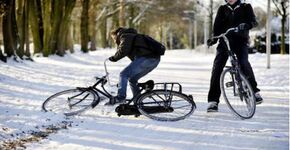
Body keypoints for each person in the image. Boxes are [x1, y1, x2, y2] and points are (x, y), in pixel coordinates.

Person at [206, 0, 263, 112]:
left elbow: (253, 21)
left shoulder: (246, 7)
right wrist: (214, 38)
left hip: (240, 41)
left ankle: (255, 92)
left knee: (243, 62)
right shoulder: (222, 9)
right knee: (217, 67)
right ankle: (213, 101)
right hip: (225, 41)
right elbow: (217, 28)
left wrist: (247, 25)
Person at [107, 27, 160, 105]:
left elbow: (124, 50)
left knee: (123, 74)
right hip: (155, 60)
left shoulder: (125, 36)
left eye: (113, 38)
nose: (114, 40)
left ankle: (121, 97)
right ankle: (138, 103)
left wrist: (114, 58)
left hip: (146, 58)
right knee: (132, 79)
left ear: (117, 34)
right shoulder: (132, 36)